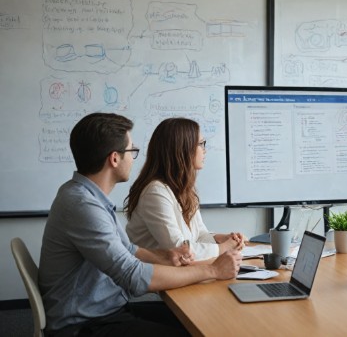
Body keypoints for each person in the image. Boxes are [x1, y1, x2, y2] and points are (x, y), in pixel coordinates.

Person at [39, 113, 243, 336]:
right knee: (197, 330)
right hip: (84, 324)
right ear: (114, 158)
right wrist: (212, 269)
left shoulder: (89, 198)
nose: (134, 158)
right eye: (131, 151)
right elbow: (134, 277)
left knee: (205, 320)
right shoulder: (81, 205)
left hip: (108, 310)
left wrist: (165, 256)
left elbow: (128, 250)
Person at [125, 117, 246, 261]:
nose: (205, 150)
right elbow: (178, 248)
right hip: (156, 279)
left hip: (177, 275)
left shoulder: (184, 189)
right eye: (201, 144)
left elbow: (199, 235)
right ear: (183, 149)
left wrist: (221, 239)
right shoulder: (155, 192)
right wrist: (224, 248)